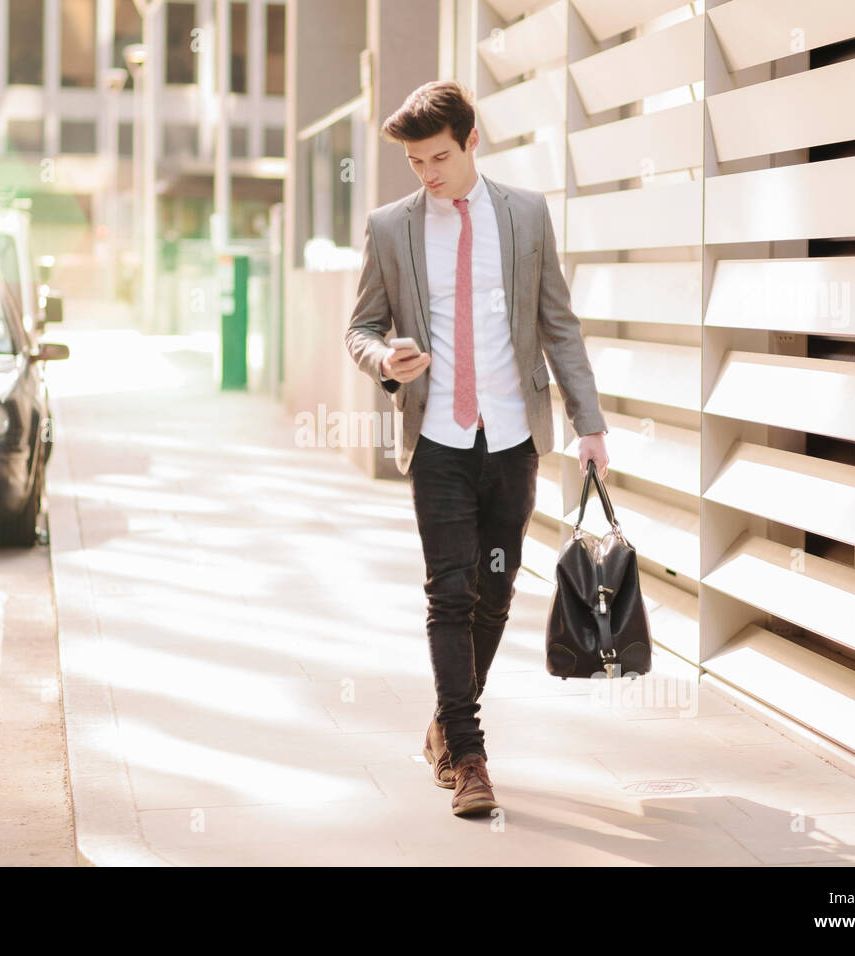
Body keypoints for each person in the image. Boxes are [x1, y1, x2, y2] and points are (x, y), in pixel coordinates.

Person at [344, 80, 610, 817]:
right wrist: (383, 359)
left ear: (471, 142)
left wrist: (589, 425)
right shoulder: (392, 227)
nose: (427, 174)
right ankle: (468, 753)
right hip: (437, 441)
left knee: (495, 590)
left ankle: (443, 724)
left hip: (512, 438)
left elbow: (559, 324)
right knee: (448, 591)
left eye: (439, 157)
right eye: (414, 163)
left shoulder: (524, 215)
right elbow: (359, 328)